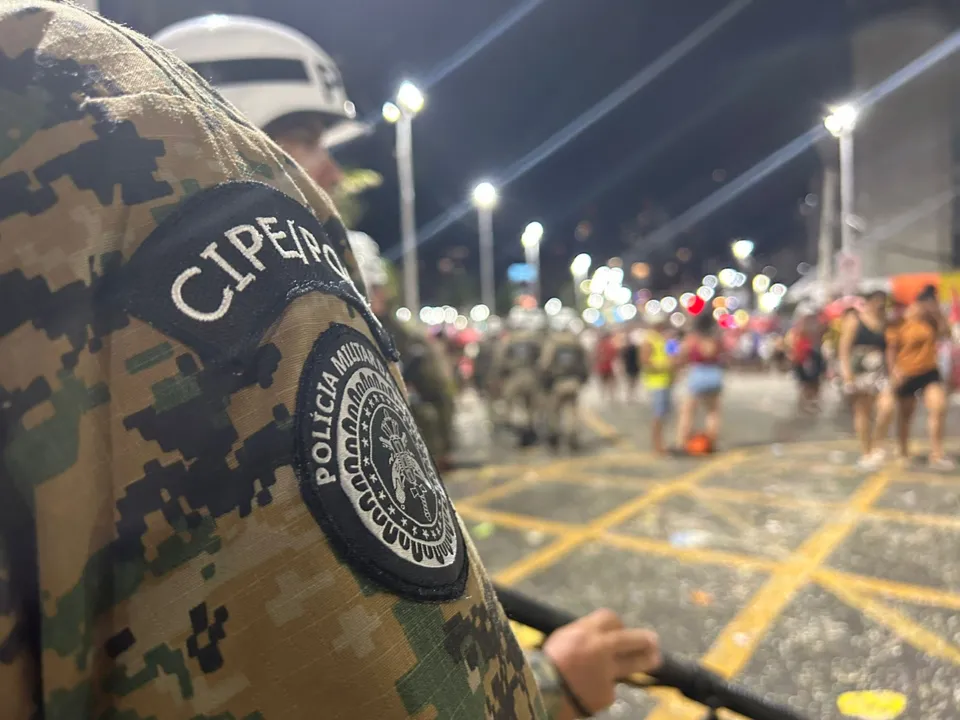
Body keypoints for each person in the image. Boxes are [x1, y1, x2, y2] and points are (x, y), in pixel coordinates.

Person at [0, 5, 661, 718]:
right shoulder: (117, 117)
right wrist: (557, 687)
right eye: (305, 135)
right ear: (231, 120)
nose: (332, 168)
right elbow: (371, 680)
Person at [886, 285, 954, 469]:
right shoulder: (902, 320)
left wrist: (938, 315)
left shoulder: (931, 320)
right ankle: (902, 450)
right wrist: (894, 371)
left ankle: (937, 453)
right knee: (906, 414)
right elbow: (892, 348)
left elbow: (947, 335)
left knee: (938, 407)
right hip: (906, 372)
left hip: (929, 371)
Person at [838, 291, 894, 468]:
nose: (880, 306)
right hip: (860, 369)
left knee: (887, 407)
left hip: (880, 371)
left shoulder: (885, 322)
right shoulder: (855, 320)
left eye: (883, 303)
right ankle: (866, 451)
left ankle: (878, 444)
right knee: (863, 411)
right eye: (877, 302)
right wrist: (847, 374)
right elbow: (844, 349)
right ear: (868, 302)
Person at [490, 309, 546, 446]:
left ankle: (522, 430)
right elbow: (544, 358)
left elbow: (500, 360)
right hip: (532, 376)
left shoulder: (509, 340)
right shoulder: (534, 339)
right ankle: (531, 430)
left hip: (515, 377)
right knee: (533, 407)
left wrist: (500, 375)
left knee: (511, 405)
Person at [539, 310, 590, 450]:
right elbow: (586, 362)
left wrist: (544, 380)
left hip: (558, 382)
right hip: (574, 381)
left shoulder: (552, 342)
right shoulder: (576, 342)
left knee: (554, 411)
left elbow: (545, 364)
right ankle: (573, 437)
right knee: (572, 411)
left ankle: (555, 438)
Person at [675, 314, 724, 451]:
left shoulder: (692, 339)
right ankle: (711, 442)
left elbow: (682, 355)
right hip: (714, 373)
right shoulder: (715, 339)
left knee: (688, 411)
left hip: (698, 373)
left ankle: (682, 442)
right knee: (712, 412)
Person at [640, 321, 675, 455]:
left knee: (664, 414)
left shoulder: (664, 339)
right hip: (656, 383)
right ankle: (657, 446)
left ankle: (662, 443)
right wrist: (664, 365)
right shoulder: (649, 339)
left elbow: (674, 355)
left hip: (666, 381)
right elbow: (644, 360)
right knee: (658, 415)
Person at [787, 312, 824, 414]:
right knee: (806, 382)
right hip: (802, 358)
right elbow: (792, 345)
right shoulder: (799, 331)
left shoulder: (817, 328)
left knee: (813, 381)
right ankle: (807, 401)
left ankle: (810, 401)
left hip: (812, 356)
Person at [594, 330, 619, 402]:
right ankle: (611, 396)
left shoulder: (599, 345)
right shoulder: (611, 345)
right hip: (609, 366)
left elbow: (596, 356)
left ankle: (603, 396)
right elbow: (615, 356)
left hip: (602, 367)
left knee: (603, 382)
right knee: (611, 382)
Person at [622, 326, 642, 401]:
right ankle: (631, 395)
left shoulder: (628, 348)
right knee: (632, 382)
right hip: (632, 366)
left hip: (632, 366)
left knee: (631, 382)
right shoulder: (629, 349)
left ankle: (631, 395)